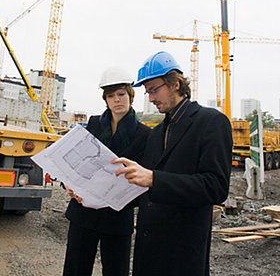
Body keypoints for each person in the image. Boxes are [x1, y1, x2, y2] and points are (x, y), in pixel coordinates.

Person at [113, 51, 233, 276]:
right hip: (148, 252)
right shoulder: (156, 133)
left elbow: (215, 187)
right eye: (148, 92)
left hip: (182, 253)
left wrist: (154, 179)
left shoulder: (211, 122)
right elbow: (144, 190)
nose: (150, 98)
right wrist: (98, 198)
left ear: (176, 84)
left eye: (155, 90)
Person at [62, 66, 151, 276]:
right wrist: (68, 185)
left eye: (121, 94)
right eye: (111, 96)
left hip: (117, 215)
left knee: (116, 270)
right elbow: (76, 162)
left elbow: (145, 178)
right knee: (75, 269)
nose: (116, 100)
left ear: (131, 95)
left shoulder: (145, 135)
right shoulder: (93, 123)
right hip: (83, 211)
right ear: (105, 99)